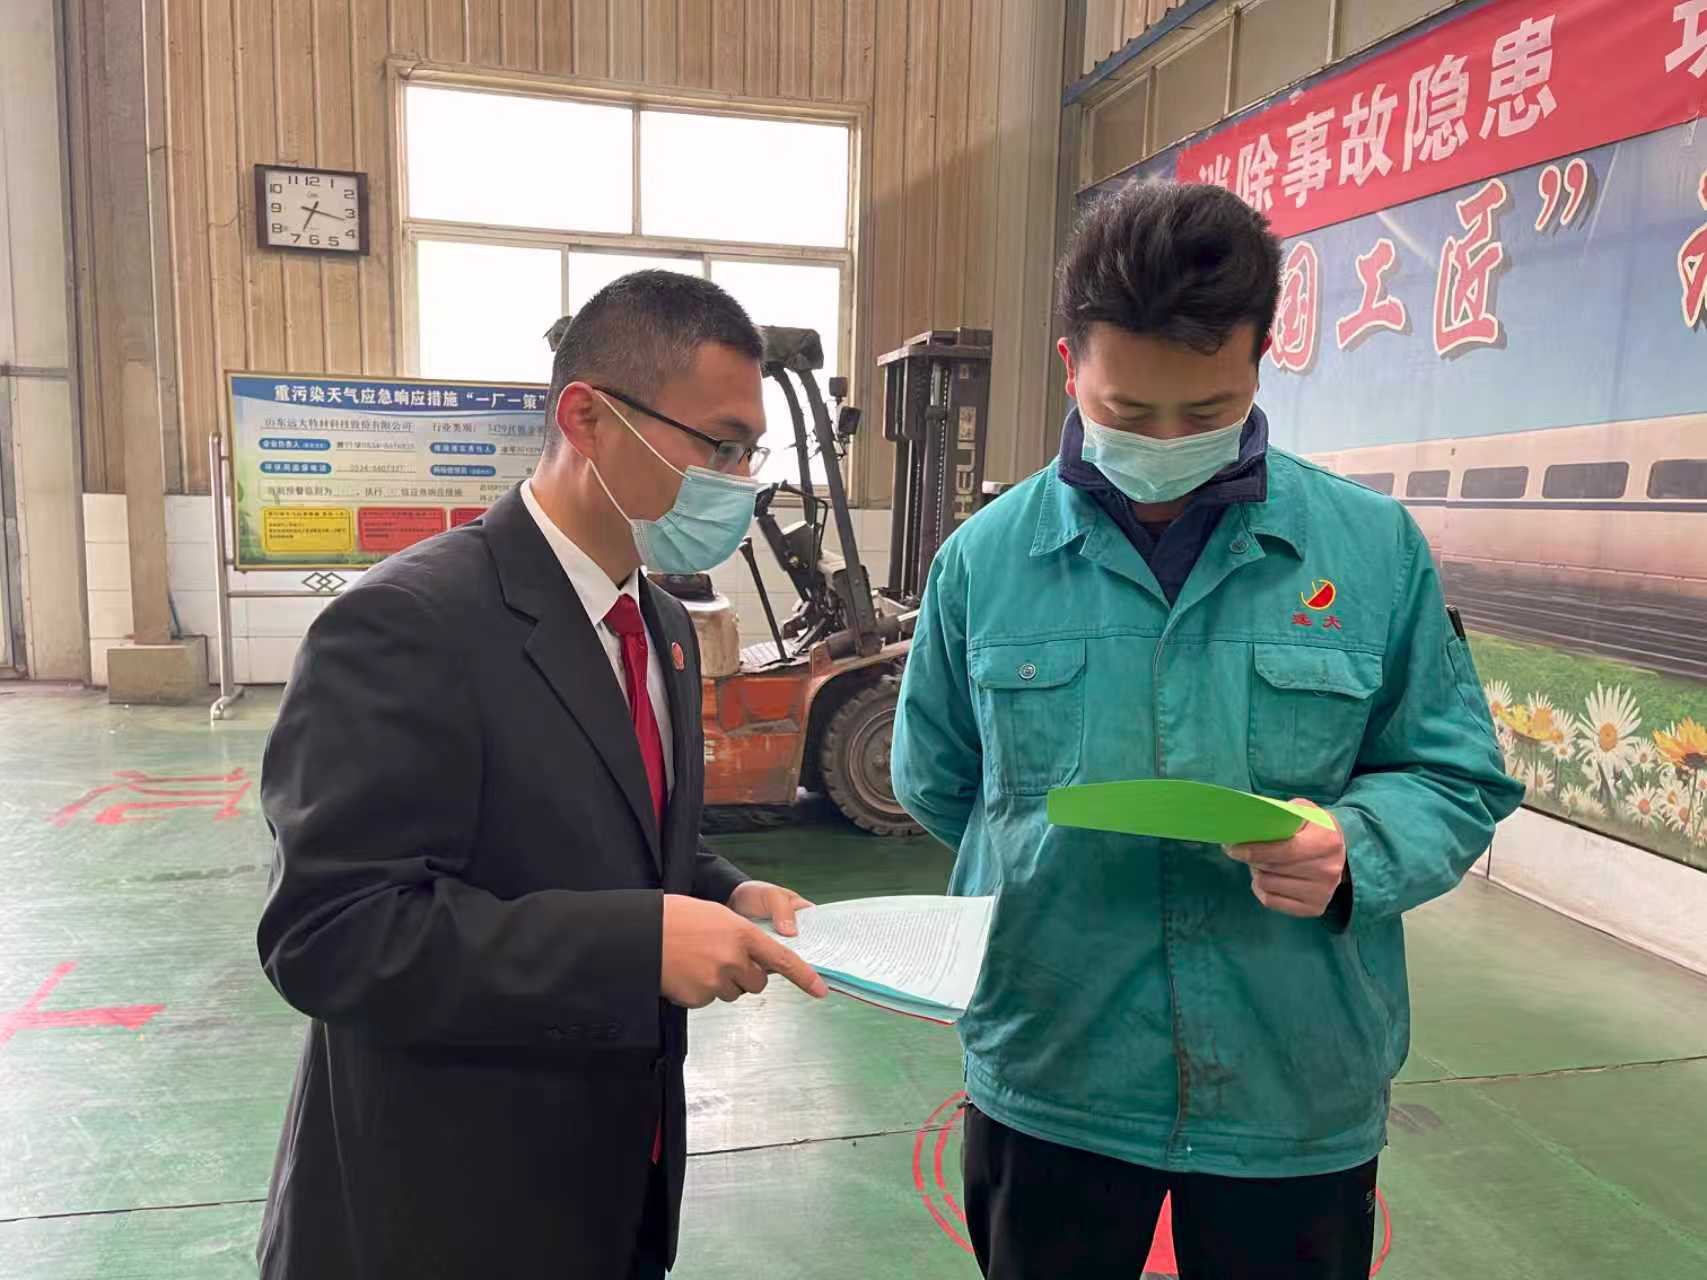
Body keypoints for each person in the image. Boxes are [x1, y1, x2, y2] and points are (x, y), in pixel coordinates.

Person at [890, 182, 1523, 1279]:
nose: (1166, 442)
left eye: (1205, 412)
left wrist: (1352, 846)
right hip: (1056, 1067)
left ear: (1259, 364)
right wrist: (1052, 876)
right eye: (1131, 412)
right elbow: (939, 779)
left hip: (1292, 1077)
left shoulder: (1369, 551)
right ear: (1070, 365)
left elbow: (1454, 772)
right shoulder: (985, 562)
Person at [255, 270, 827, 1280]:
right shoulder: (409, 624)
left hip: (614, 1186)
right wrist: (634, 946)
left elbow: (617, 819)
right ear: (587, 418)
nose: (739, 482)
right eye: (718, 445)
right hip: (449, 1211)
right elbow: (332, 931)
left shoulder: (658, 623)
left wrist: (723, 889)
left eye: (751, 453)